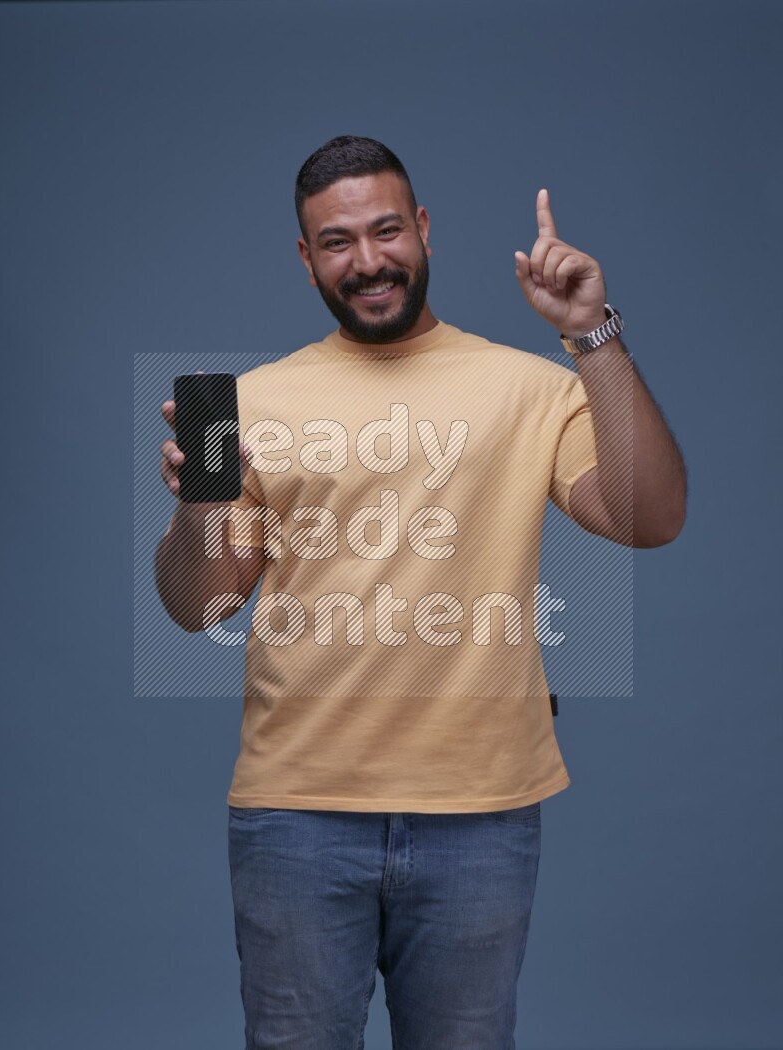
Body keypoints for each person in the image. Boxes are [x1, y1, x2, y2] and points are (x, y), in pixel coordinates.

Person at [155, 136, 686, 1050]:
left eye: (387, 229)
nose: (368, 261)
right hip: (297, 814)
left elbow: (647, 516)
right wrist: (202, 508)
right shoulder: (245, 407)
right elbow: (202, 605)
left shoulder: (529, 388)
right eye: (337, 241)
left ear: (425, 228)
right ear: (306, 257)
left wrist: (592, 333)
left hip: (481, 815)